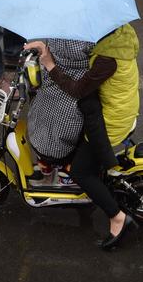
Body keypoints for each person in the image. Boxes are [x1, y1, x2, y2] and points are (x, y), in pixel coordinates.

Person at [25, 23, 140, 249]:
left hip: (112, 121)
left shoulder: (107, 57)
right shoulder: (119, 36)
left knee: (81, 172)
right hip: (122, 107)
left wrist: (49, 63)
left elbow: (77, 90)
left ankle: (117, 218)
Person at [26, 39, 95, 184]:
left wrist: (45, 54)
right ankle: (66, 179)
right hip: (77, 98)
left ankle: (48, 173)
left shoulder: (58, 35)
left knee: (43, 131)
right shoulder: (91, 39)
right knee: (70, 141)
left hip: (53, 87)